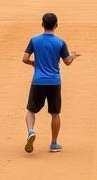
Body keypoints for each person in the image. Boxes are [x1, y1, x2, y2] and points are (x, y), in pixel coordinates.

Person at [22, 12, 80, 153]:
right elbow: (67, 62)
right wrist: (73, 56)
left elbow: (24, 58)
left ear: (42, 25)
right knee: (55, 113)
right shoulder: (60, 42)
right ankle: (54, 144)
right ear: (56, 25)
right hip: (54, 81)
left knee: (31, 110)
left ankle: (31, 131)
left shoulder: (34, 40)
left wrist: (33, 63)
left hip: (38, 81)